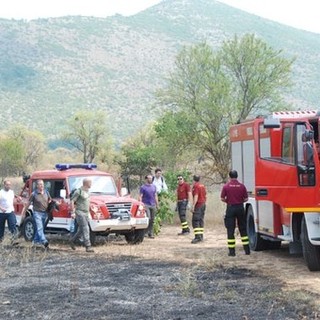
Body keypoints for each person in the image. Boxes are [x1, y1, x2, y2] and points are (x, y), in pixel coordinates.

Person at [220, 170, 250, 257]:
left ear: (229, 176)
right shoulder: (242, 186)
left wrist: (228, 201)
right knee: (243, 229)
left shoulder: (226, 186)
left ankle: (232, 252)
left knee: (230, 230)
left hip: (231, 208)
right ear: (237, 176)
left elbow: (222, 198)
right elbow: (246, 199)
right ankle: (247, 250)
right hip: (240, 208)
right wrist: (239, 201)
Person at [23, 179, 51, 248]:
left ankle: (35, 241)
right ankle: (44, 241)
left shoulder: (46, 192)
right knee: (39, 227)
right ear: (37, 186)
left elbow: (50, 200)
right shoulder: (34, 194)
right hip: (37, 213)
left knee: (41, 228)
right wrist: (24, 212)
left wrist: (51, 203)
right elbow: (28, 203)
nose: (42, 186)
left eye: (43, 184)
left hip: (45, 213)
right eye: (40, 184)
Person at [70, 178, 94, 252]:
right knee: (86, 228)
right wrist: (73, 212)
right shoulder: (78, 191)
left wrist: (91, 209)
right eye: (90, 182)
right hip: (80, 212)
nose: (91, 184)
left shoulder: (88, 192)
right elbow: (72, 201)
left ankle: (72, 240)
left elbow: (87, 203)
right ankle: (88, 246)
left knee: (81, 230)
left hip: (86, 213)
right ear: (86, 183)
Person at [139, 174, 158, 239]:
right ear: (146, 179)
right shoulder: (143, 187)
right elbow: (140, 196)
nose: (150, 179)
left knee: (152, 220)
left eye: (151, 178)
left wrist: (157, 204)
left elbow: (155, 196)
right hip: (146, 204)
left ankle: (151, 233)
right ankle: (145, 232)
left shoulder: (154, 187)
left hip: (153, 205)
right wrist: (140, 204)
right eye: (149, 178)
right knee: (148, 218)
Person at [191, 175, 206, 244]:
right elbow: (205, 195)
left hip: (198, 205)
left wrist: (193, 206)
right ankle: (201, 236)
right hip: (203, 204)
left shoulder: (196, 186)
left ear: (194, 180)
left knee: (195, 221)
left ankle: (197, 237)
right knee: (200, 220)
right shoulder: (202, 186)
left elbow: (196, 196)